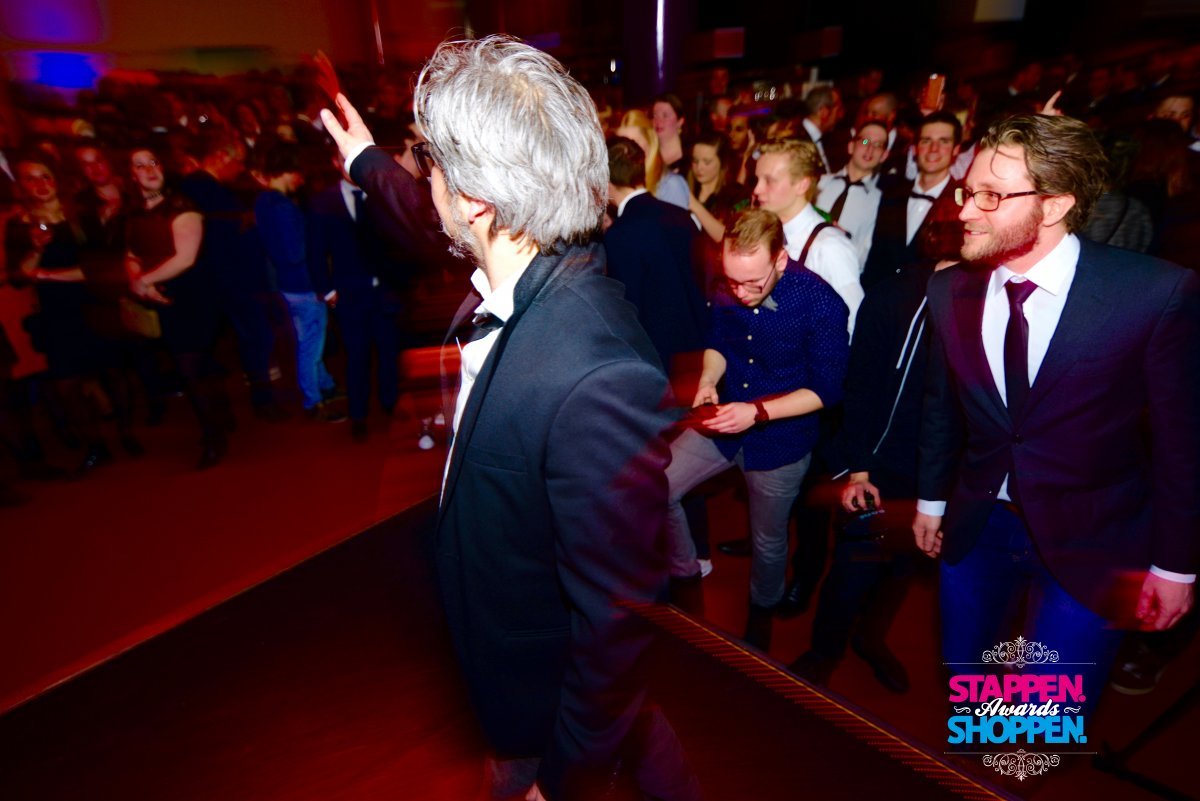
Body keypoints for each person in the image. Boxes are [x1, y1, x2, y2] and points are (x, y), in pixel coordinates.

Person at [322, 35, 701, 801]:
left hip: (541, 706)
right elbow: (430, 218)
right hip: (519, 659)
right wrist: (367, 162)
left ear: (476, 200)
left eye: (428, 162)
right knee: (648, 736)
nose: (421, 176)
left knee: (622, 725)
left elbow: (615, 624)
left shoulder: (596, 378)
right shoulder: (528, 247)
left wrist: (559, 783)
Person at [913, 113, 1200, 713]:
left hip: (1096, 533)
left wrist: (1175, 565)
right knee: (968, 687)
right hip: (979, 526)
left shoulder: (1153, 293)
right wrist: (932, 501)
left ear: (1054, 205)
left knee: (1052, 713)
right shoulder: (948, 289)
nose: (965, 211)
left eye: (991, 195)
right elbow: (941, 406)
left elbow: (1183, 443)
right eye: (968, 191)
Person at [662, 209, 849, 651]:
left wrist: (758, 412)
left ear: (780, 259)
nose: (740, 292)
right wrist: (708, 380)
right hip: (724, 424)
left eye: (753, 283)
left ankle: (760, 621)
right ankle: (686, 580)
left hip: (781, 441)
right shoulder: (731, 281)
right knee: (659, 485)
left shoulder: (822, 303)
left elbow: (827, 390)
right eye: (732, 282)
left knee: (768, 542)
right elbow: (718, 341)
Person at [126, 146, 231, 469]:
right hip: (162, 297)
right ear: (131, 175)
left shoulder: (183, 205)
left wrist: (144, 281)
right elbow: (131, 253)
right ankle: (221, 418)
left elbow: (185, 258)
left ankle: (214, 437)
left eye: (153, 162)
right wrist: (138, 281)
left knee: (190, 367)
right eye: (140, 165)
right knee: (196, 365)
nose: (149, 170)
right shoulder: (134, 211)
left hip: (195, 296)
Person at [605, 137, 707, 382]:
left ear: (605, 181)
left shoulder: (620, 233)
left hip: (655, 364)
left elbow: (627, 312)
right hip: (698, 355)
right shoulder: (682, 216)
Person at [862, 111, 964, 290]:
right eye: (926, 141)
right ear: (915, 148)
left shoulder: (962, 205)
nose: (933, 149)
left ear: (956, 150)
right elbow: (875, 256)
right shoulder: (891, 193)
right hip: (877, 296)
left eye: (943, 141)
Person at [815, 119, 890, 269]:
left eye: (878, 145)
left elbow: (865, 256)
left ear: (884, 155)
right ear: (851, 146)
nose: (869, 149)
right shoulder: (819, 182)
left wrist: (845, 240)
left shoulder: (880, 202)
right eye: (864, 141)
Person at [617, 109, 690, 210]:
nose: (626, 149)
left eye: (634, 142)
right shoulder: (621, 183)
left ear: (650, 141)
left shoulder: (670, 185)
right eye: (621, 143)